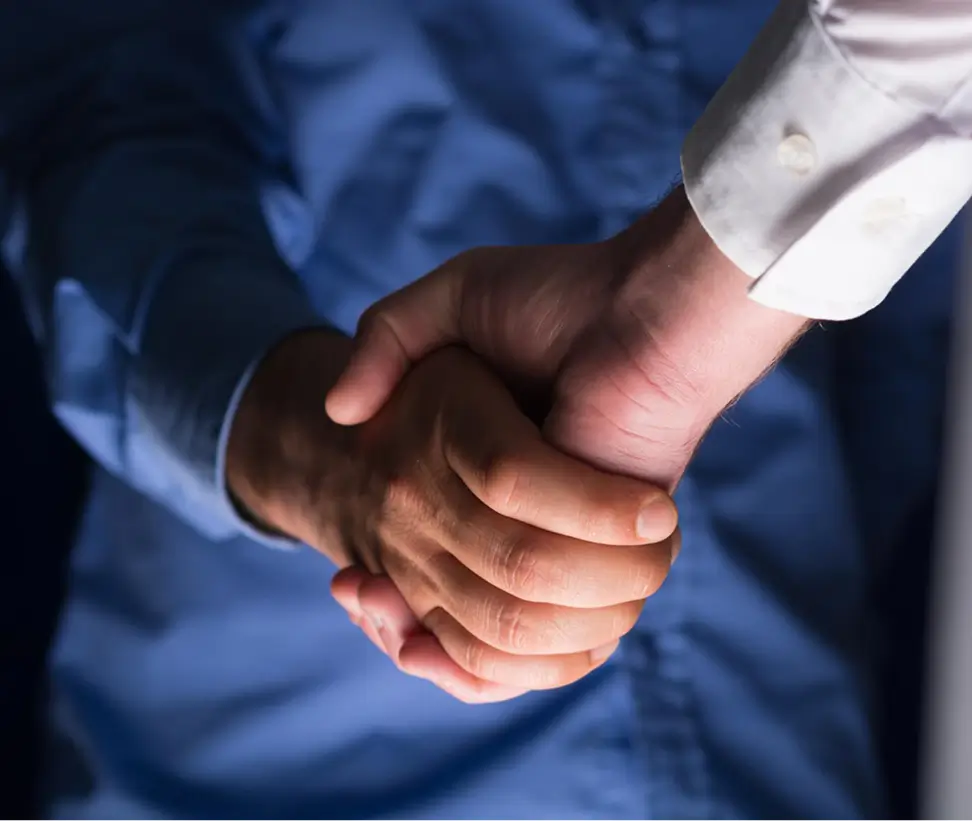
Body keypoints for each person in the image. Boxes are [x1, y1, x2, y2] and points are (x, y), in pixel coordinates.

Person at [0, 0, 959, 816]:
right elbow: (96, 131)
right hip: (285, 772)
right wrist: (334, 463)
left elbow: (902, 344)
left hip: (783, 749)